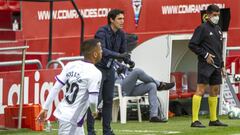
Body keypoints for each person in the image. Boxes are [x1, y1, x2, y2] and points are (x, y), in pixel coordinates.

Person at [36, 39, 103, 135]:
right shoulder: (95, 72)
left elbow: (56, 88)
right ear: (95, 54)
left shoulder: (71, 65)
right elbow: (93, 100)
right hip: (71, 120)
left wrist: (45, 107)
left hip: (69, 116)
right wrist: (94, 111)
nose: (102, 51)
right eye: (100, 49)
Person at [87, 9, 131, 135]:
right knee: (95, 100)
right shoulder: (101, 32)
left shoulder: (121, 34)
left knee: (108, 100)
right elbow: (103, 51)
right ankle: (90, 131)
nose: (122, 21)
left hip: (110, 69)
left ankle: (107, 131)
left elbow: (124, 52)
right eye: (119, 19)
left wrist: (128, 60)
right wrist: (120, 55)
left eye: (123, 18)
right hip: (98, 69)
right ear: (111, 20)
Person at [188, 4, 228, 128]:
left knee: (215, 90)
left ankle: (213, 119)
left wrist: (222, 65)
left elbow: (219, 49)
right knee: (200, 90)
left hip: (216, 66)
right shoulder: (202, 28)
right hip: (205, 65)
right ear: (208, 14)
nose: (216, 17)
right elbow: (192, 45)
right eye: (215, 15)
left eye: (218, 15)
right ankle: (195, 120)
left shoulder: (218, 29)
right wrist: (205, 55)